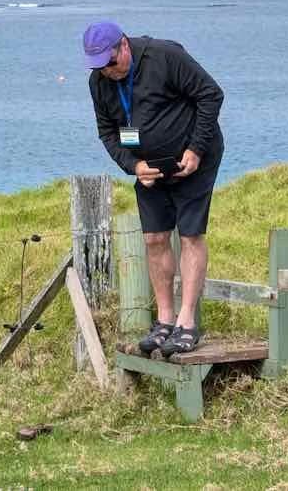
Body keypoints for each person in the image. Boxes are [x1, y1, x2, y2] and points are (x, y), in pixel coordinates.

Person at [83, 21, 224, 356]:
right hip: (149, 168)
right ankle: (164, 321)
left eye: (110, 62)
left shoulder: (165, 56)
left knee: (190, 234)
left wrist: (196, 149)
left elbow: (211, 94)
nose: (107, 71)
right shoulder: (99, 83)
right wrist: (133, 167)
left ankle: (187, 323)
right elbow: (107, 132)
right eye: (98, 66)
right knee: (154, 238)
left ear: (124, 46)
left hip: (193, 159)